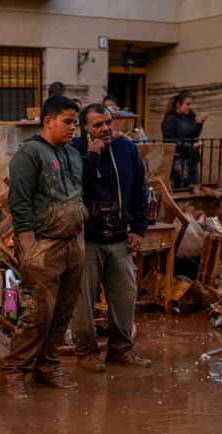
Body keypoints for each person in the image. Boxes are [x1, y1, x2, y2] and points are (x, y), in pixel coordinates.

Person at [1, 95, 87, 400]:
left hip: (74, 245)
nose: (74, 128)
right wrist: (31, 251)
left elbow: (77, 196)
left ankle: (47, 366)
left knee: (62, 313)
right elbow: (19, 206)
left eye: (75, 122)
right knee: (36, 315)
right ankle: (15, 372)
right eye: (67, 122)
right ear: (48, 121)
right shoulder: (29, 155)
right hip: (43, 248)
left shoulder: (73, 154)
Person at [70, 104, 151, 372]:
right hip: (87, 239)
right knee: (83, 301)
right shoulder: (76, 151)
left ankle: (121, 349)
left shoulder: (126, 149)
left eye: (107, 122)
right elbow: (74, 187)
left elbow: (139, 189)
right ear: (85, 128)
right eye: (97, 125)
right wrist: (92, 155)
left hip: (119, 238)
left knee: (125, 296)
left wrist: (139, 229)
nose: (105, 128)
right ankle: (86, 352)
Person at [161, 91, 207, 187]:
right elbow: (169, 141)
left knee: (195, 186)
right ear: (178, 104)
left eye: (190, 104)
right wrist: (190, 144)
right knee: (182, 187)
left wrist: (199, 124)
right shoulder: (170, 120)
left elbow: (194, 134)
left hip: (192, 157)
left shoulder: (190, 117)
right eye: (187, 104)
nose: (189, 107)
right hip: (179, 160)